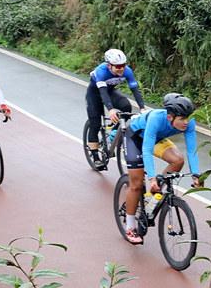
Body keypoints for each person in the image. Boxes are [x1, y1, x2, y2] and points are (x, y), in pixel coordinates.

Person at [119, 94, 199, 243]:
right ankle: (130, 227)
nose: (186, 122)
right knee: (136, 184)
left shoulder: (189, 123)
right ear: (170, 117)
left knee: (178, 160)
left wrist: (196, 175)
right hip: (136, 138)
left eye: (188, 117)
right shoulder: (156, 118)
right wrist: (152, 177)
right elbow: (147, 150)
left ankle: (150, 197)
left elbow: (192, 151)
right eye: (182, 119)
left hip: (157, 139)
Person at [84, 48, 145, 150]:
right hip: (95, 94)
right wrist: (111, 109)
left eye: (123, 65)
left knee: (126, 107)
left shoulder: (127, 71)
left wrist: (142, 108)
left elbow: (135, 90)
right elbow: (103, 92)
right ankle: (95, 156)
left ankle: (113, 132)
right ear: (109, 65)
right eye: (118, 66)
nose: (121, 68)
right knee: (95, 123)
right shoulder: (101, 71)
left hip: (110, 92)